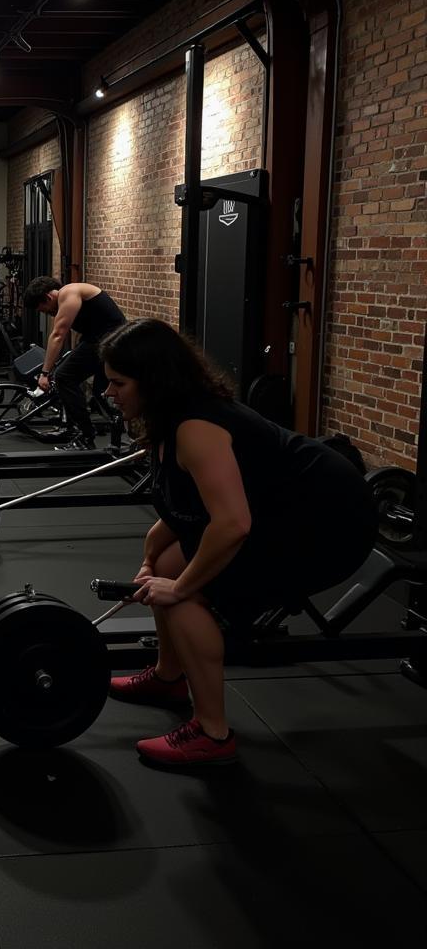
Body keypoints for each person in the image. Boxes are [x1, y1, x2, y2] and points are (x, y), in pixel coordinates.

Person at [99, 318, 376, 769]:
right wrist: (151, 557)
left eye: (118, 383)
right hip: (282, 510)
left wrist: (182, 587)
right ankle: (169, 678)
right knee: (167, 565)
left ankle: (212, 733)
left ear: (153, 381)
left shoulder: (196, 429)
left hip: (329, 524)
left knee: (181, 596)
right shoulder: (171, 419)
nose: (109, 394)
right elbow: (182, 509)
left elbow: (231, 524)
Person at [23, 276, 126, 450]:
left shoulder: (68, 292)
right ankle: (115, 439)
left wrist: (45, 373)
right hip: (105, 341)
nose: (48, 313)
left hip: (108, 342)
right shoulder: (74, 295)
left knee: (63, 377)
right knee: (101, 392)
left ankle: (86, 436)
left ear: (48, 298)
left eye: (45, 310)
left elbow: (58, 334)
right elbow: (87, 328)